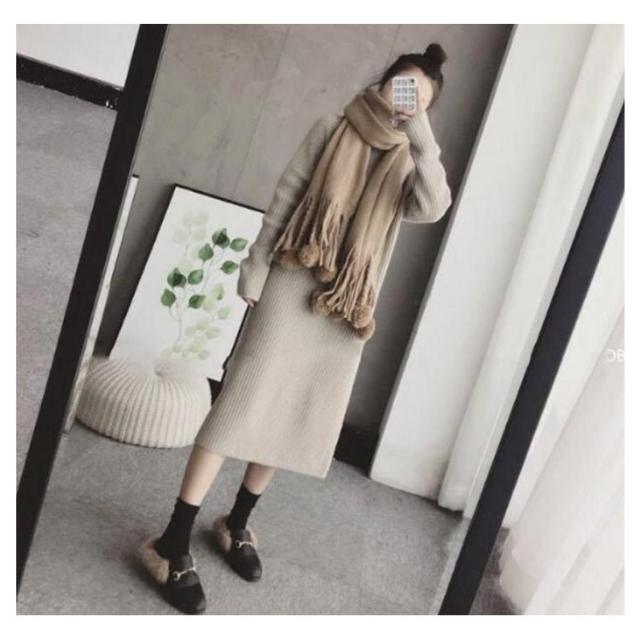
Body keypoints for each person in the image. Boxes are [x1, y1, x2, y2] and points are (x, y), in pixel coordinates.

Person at [138, 43, 453, 614]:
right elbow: (286, 196)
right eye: (403, 87)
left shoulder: (412, 163)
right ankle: (172, 540)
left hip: (342, 307)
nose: (407, 101)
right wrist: (255, 267)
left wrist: (423, 139)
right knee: (239, 405)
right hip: (290, 281)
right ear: (384, 82)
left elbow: (432, 207)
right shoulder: (331, 128)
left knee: (292, 412)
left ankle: (236, 523)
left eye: (421, 99)